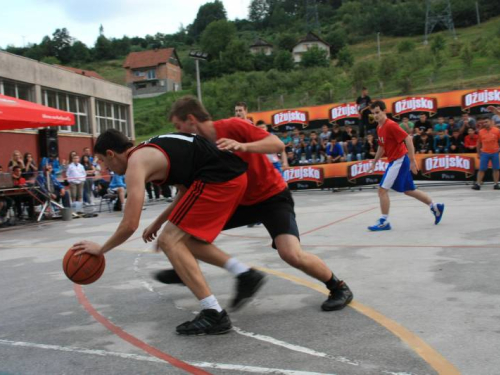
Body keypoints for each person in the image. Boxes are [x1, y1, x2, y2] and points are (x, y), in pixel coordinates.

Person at [148, 96, 353, 313]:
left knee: (291, 254)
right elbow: (186, 193)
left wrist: (242, 146)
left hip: (272, 197)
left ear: (191, 119)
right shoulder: (199, 148)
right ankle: (185, 269)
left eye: (178, 126)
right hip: (238, 203)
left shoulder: (232, 126)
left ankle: (338, 287)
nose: (178, 131)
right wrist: (159, 223)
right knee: (186, 235)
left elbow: (277, 144)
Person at [71, 128, 249, 335]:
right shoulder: (151, 151)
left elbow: (129, 224)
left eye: (102, 160)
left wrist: (101, 249)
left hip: (220, 179)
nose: (105, 167)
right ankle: (224, 290)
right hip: (227, 175)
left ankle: (214, 313)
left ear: (111, 153)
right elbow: (184, 191)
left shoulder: (136, 164)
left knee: (170, 240)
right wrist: (158, 222)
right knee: (176, 239)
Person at [367, 100, 444, 231]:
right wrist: (374, 162)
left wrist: (413, 161)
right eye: (373, 113)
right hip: (396, 161)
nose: (376, 115)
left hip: (399, 160)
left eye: (378, 112)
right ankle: (435, 206)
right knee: (409, 190)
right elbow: (381, 146)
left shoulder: (390, 125)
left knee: (382, 190)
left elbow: (408, 138)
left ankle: (384, 221)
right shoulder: (379, 128)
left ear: (384, 111)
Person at [472, 116, 500, 190]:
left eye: (486, 122)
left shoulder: (497, 130)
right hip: (484, 153)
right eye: (484, 122)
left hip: (495, 153)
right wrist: (478, 153)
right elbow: (478, 143)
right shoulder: (481, 131)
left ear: (491, 122)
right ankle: (478, 184)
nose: (485, 123)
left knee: (496, 169)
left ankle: (496, 184)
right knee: (481, 169)